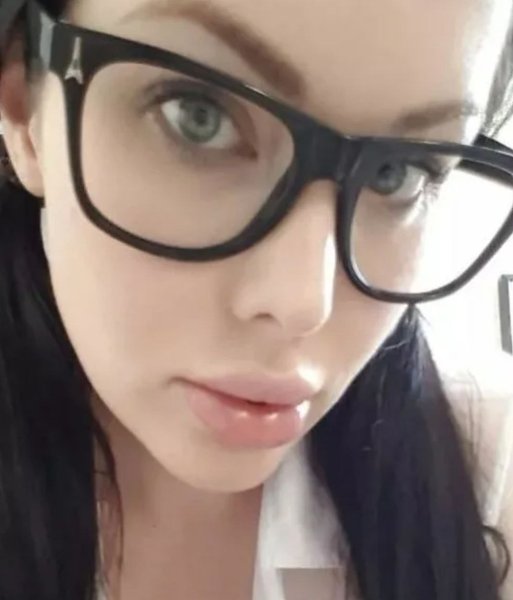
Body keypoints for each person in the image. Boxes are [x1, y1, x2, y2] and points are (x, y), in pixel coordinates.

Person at [0, 0, 512, 598]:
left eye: (397, 171)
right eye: (198, 115)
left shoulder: (484, 474)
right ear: (25, 109)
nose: (303, 304)